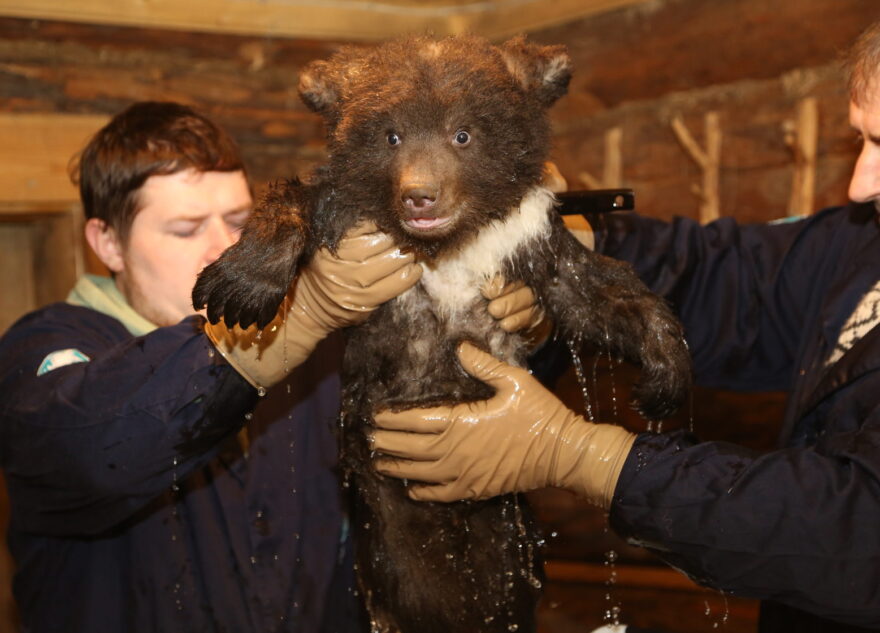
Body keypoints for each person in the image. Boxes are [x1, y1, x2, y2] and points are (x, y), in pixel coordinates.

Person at [367, 20, 880, 633]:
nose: (860, 184)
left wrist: (588, 458)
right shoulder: (860, 247)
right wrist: (565, 238)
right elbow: (729, 281)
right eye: (862, 140)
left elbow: (856, 529)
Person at [0, 101, 541, 633]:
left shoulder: (314, 354)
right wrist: (289, 322)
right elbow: (86, 450)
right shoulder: (48, 346)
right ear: (107, 243)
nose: (222, 249)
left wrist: (510, 325)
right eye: (185, 230)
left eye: (240, 221)